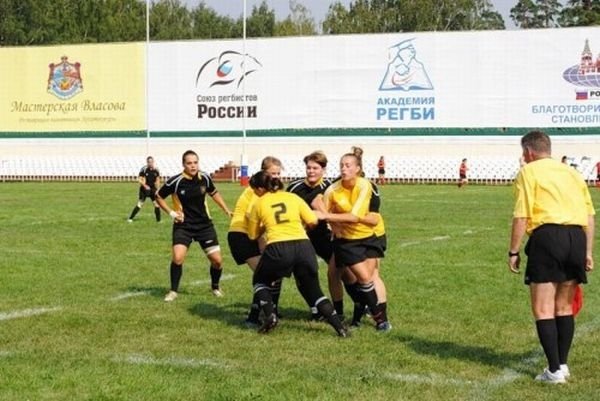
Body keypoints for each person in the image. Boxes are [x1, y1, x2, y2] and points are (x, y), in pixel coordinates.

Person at [508, 130, 595, 383]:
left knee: (543, 308)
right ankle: (563, 365)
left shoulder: (528, 171)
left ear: (528, 152)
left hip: (548, 237)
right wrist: (588, 251)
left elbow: (522, 213)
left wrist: (514, 250)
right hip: (576, 237)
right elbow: (589, 215)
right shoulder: (572, 172)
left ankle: (554, 371)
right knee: (565, 306)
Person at [246, 170, 348, 337]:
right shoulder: (293, 197)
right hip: (304, 246)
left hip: (278, 246)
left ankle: (270, 315)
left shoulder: (259, 203)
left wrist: (266, 225)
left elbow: (252, 235)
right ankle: (340, 328)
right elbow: (313, 220)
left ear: (259, 189)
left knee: (260, 281)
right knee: (314, 291)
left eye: (254, 190)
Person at [318, 148, 391, 331]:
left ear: (358, 169)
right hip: (347, 240)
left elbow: (359, 217)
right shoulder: (332, 189)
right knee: (361, 277)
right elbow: (323, 212)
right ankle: (379, 320)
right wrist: (330, 222)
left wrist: (329, 217)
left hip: (371, 235)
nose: (343, 169)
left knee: (370, 277)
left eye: (348, 165)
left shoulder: (366, 186)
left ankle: (364, 313)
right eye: (341, 165)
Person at [156, 150, 233, 302]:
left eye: (195, 162)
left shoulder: (204, 177)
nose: (193, 166)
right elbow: (158, 196)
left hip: (204, 226)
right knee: (178, 258)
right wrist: (172, 213)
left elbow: (214, 193)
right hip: (183, 226)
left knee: (217, 261)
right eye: (189, 163)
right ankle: (173, 291)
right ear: (183, 165)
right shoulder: (175, 181)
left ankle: (215, 287)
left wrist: (226, 209)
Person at [228, 156, 283, 326]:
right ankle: (254, 317)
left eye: (278, 174)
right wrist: (262, 238)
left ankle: (270, 310)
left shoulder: (269, 191)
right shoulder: (255, 190)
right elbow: (252, 216)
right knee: (265, 273)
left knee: (275, 273)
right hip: (241, 236)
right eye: (273, 173)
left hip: (255, 235)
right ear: (263, 173)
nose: (276, 177)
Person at [287, 151, 335, 319]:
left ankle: (359, 303)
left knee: (342, 271)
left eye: (315, 168)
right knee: (304, 273)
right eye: (309, 168)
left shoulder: (331, 186)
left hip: (326, 236)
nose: (311, 171)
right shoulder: (294, 188)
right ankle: (316, 309)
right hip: (302, 238)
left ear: (324, 169)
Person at [128, 156, 161, 222]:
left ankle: (158, 221)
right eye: (149, 162)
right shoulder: (144, 169)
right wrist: (145, 186)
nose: (150, 163)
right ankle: (130, 218)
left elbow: (157, 180)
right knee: (140, 204)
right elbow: (139, 180)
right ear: (147, 162)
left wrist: (158, 189)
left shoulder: (156, 170)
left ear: (153, 162)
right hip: (144, 189)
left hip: (152, 189)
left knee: (157, 204)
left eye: (151, 162)